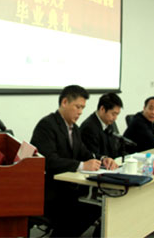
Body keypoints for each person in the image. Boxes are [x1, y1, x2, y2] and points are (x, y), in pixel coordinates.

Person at [30, 85, 105, 237]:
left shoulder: (74, 128)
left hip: (68, 190)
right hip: (50, 193)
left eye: (83, 108)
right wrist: (82, 165)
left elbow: (84, 153)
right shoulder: (47, 125)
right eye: (78, 107)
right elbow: (49, 161)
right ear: (64, 102)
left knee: (98, 209)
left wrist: (102, 159)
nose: (80, 112)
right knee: (88, 211)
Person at [80, 92, 124, 161]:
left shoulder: (109, 123)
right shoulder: (89, 128)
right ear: (102, 109)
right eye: (113, 114)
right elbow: (93, 157)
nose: (115, 118)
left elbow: (115, 150)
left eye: (117, 114)